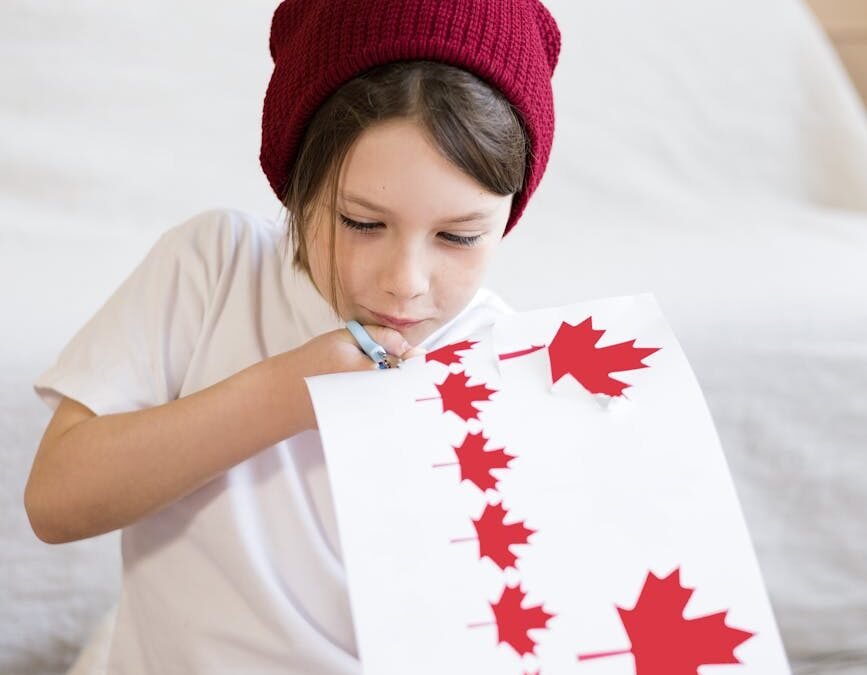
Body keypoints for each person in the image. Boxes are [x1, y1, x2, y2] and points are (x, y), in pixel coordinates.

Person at [24, 0, 561, 672]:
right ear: (296, 183)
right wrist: (283, 394)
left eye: (458, 236)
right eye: (363, 222)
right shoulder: (216, 268)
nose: (406, 282)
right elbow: (54, 502)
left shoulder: (506, 367)